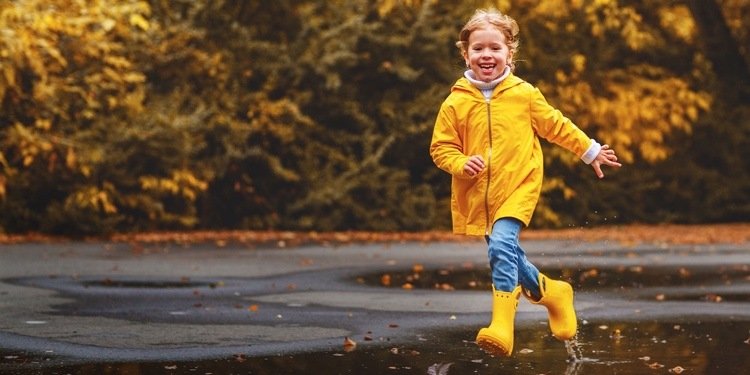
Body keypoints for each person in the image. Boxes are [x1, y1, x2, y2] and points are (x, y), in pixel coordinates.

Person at [429, 8, 622, 357]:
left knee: (501, 246)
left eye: (495, 48)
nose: (486, 55)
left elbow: (556, 125)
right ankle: (553, 293)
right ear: (465, 53)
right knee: (507, 253)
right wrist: (460, 163)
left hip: (519, 186)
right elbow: (440, 148)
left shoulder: (524, 94)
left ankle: (502, 325)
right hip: (479, 194)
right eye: (478, 48)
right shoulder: (454, 102)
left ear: (509, 53)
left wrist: (590, 151)